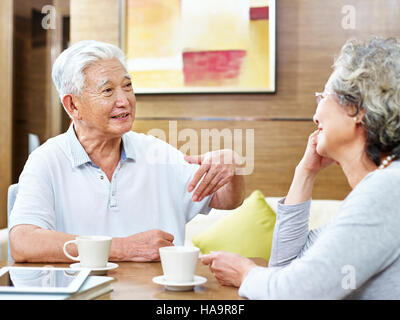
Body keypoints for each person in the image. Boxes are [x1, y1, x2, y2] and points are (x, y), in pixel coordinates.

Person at [9, 40, 245, 263]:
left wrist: (232, 166)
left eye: (127, 86)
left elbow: (225, 199)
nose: (124, 100)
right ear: (73, 106)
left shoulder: (157, 153)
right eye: (108, 91)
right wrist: (122, 248)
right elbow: (23, 242)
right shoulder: (46, 160)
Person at [202, 37, 400, 299]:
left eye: (324, 96)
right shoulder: (383, 187)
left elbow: (297, 293)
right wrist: (305, 172)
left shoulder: (387, 189)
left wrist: (245, 273)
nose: (316, 115)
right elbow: (285, 267)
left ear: (358, 109)